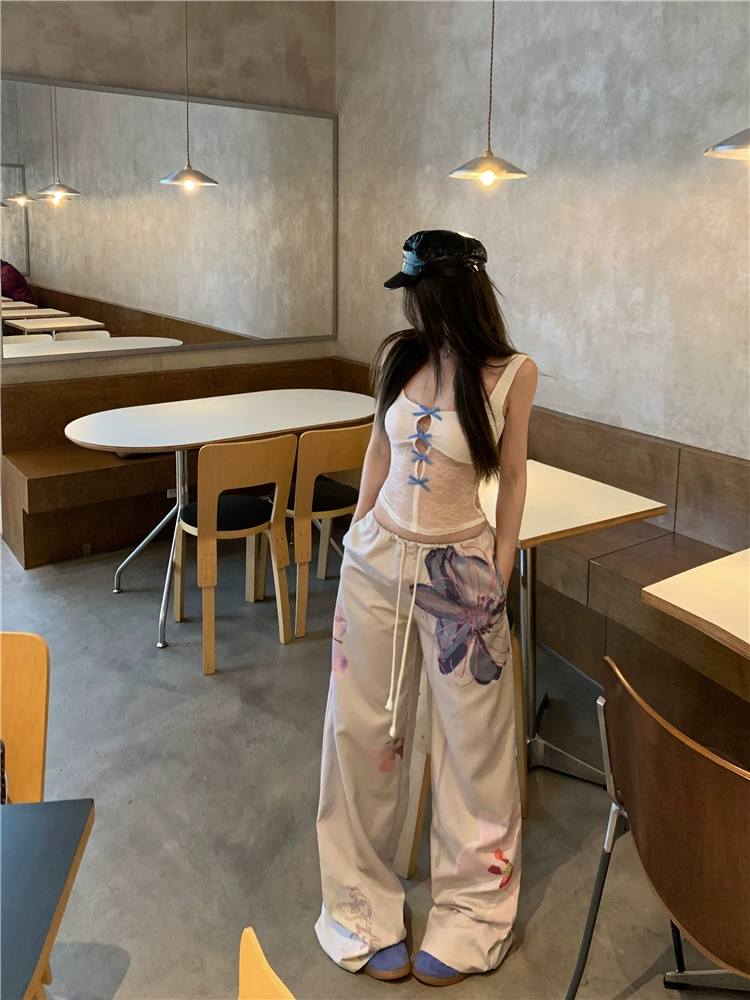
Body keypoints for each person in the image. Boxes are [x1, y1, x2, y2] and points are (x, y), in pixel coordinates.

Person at [315, 230, 538, 986]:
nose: (408, 308)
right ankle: (358, 908)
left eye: (415, 295)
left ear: (445, 296)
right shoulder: (398, 357)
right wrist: (357, 533)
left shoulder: (511, 375)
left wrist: (500, 567)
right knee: (361, 733)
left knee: (475, 749)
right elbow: (378, 451)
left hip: (461, 577)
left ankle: (472, 914)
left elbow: (514, 478)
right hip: (375, 561)